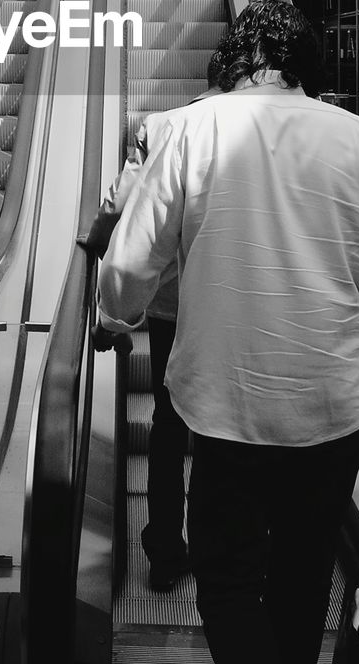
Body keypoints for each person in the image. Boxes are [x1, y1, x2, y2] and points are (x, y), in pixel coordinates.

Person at [96, 0, 359, 664]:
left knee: (228, 581)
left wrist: (111, 319)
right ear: (306, 65)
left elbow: (130, 262)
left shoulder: (192, 129)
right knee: (303, 579)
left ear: (234, 61)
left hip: (225, 410)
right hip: (334, 409)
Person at [85, 86, 218, 591]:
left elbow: (123, 200)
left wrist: (98, 242)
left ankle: (165, 550)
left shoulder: (163, 126)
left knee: (167, 425)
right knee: (211, 426)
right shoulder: (248, 135)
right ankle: (213, 548)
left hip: (168, 306)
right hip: (222, 306)